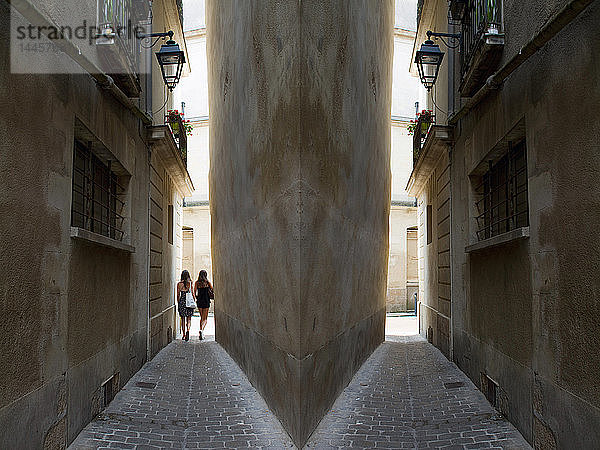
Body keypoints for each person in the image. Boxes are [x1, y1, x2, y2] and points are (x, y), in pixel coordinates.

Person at [176, 270, 195, 341]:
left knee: (183, 318)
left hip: (182, 301)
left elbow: (178, 294)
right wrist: (194, 300)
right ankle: (188, 330)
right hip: (189, 302)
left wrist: (179, 301)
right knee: (189, 318)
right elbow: (192, 293)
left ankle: (183, 334)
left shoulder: (179, 284)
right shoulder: (190, 283)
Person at [194, 270, 213, 340]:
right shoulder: (207, 283)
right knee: (205, 318)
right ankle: (202, 330)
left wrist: (196, 298)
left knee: (201, 317)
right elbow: (212, 289)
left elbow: (194, 291)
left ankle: (201, 331)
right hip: (206, 300)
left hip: (199, 301)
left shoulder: (197, 283)